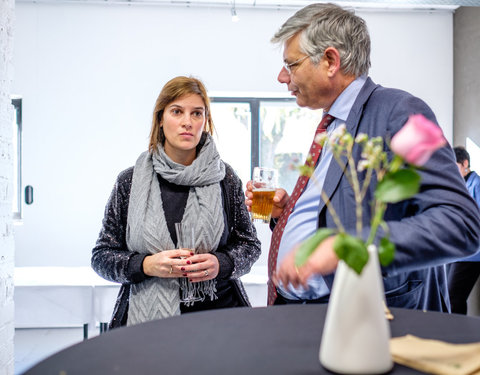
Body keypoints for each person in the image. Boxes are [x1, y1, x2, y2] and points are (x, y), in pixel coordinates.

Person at [245, 3, 480, 311]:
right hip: (305, 310)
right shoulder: (332, 124)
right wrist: (285, 214)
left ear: (330, 60)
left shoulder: (399, 112)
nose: (281, 76)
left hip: (364, 315)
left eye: (291, 65)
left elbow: (460, 223)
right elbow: (343, 208)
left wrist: (352, 247)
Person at [92, 76, 261, 328]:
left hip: (220, 320)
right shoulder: (130, 181)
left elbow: (249, 246)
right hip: (148, 326)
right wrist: (145, 265)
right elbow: (102, 256)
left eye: (196, 113)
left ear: (206, 120)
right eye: (177, 112)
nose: (187, 122)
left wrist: (221, 263)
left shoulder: (224, 178)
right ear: (160, 119)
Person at [447, 146, 480, 314]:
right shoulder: (460, 185)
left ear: (465, 163)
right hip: (455, 251)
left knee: (454, 297)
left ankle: (458, 337)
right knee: (447, 296)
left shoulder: (477, 184)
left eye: (454, 166)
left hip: (471, 253)